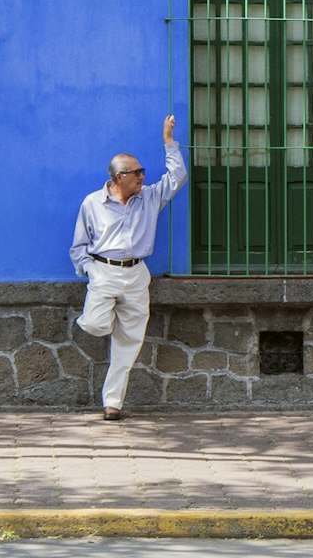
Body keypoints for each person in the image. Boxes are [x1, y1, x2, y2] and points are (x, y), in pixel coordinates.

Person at [70, 118, 186, 421]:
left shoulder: (149, 197)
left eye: (143, 172)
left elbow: (177, 178)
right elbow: (79, 245)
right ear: (120, 177)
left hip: (136, 274)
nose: (143, 177)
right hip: (104, 272)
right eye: (137, 173)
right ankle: (104, 318)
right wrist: (90, 270)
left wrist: (168, 141)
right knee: (95, 325)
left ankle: (113, 402)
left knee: (128, 342)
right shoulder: (92, 203)